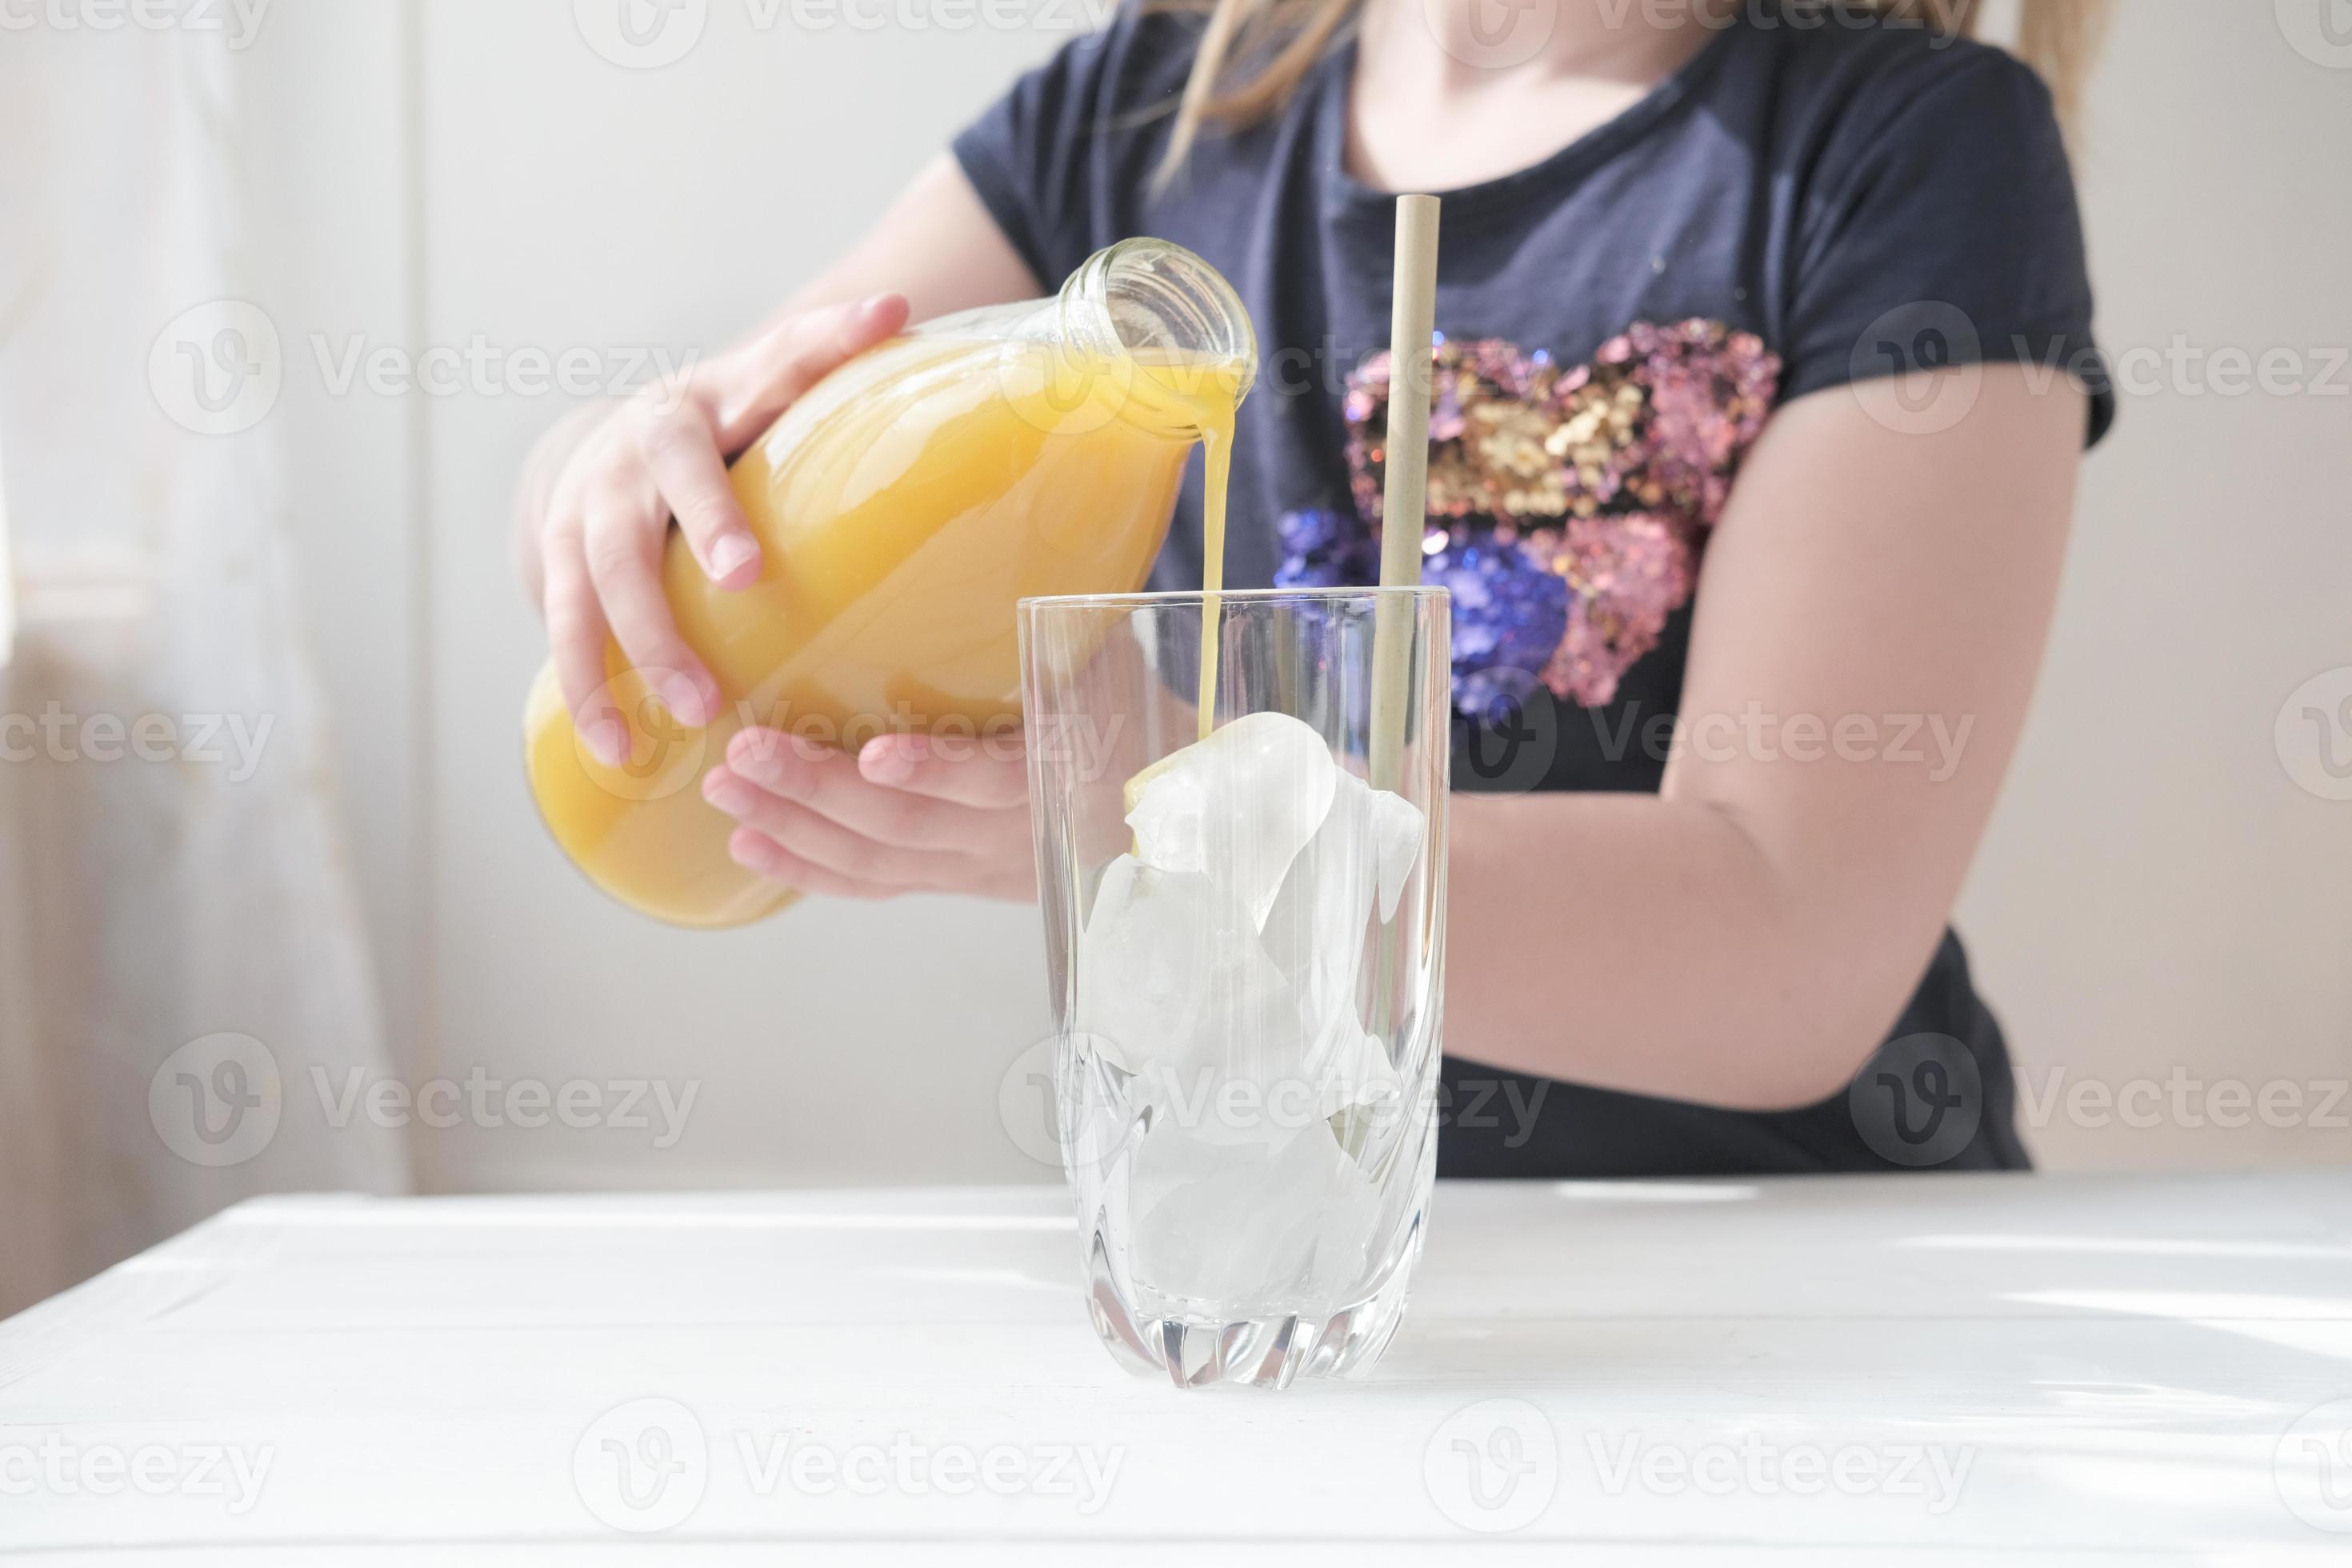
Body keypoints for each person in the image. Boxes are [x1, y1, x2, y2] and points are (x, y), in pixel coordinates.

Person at [513, 0, 2114, 1176]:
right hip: (1251, 1245)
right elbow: (727, 478)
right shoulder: (1147, 105)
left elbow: (1791, 948)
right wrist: (601, 467)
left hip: (1802, 1282)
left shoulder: (1915, 150)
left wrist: (1188, 813)